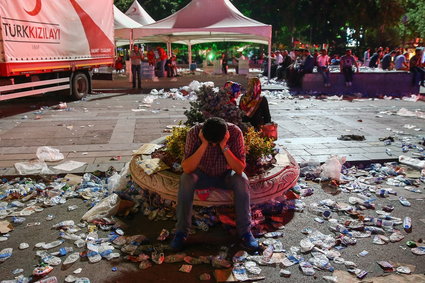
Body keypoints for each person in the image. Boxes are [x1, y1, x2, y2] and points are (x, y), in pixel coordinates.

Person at [170, 117, 258, 251]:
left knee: (242, 179)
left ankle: (245, 232)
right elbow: (187, 168)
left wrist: (224, 146)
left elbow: (239, 168)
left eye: (215, 143)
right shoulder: (194, 133)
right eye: (211, 142)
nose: (213, 145)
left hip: (225, 175)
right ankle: (181, 232)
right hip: (201, 175)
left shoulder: (235, 132)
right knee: (186, 179)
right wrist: (204, 144)